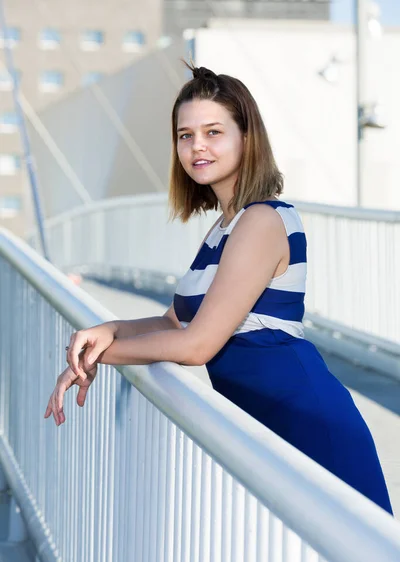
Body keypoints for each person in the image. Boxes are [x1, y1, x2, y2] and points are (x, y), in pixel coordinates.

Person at [45, 64, 393, 515]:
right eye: (185, 135)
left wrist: (95, 358)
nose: (197, 146)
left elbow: (197, 345)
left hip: (308, 423)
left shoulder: (263, 220)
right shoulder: (224, 227)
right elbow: (176, 321)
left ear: (246, 138)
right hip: (267, 428)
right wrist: (109, 329)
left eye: (213, 131)